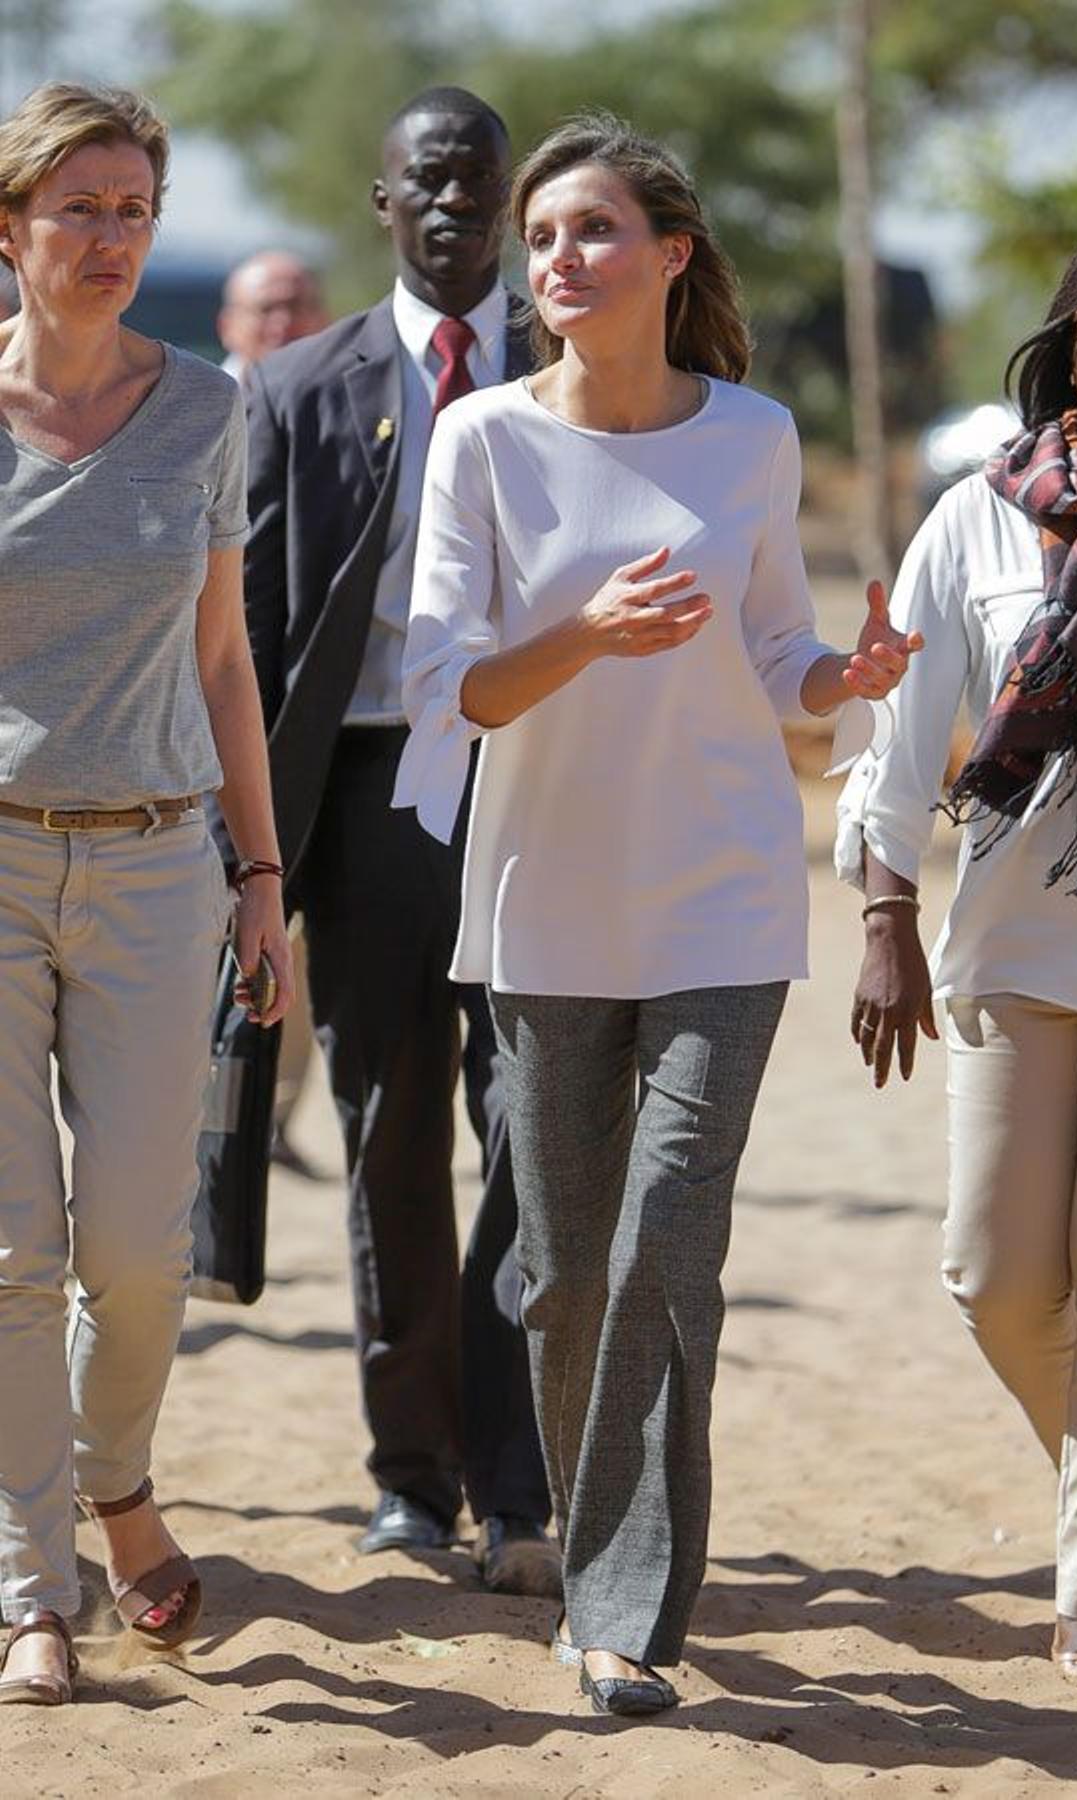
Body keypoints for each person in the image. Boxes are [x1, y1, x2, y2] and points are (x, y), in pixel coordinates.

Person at [394, 111, 919, 1717]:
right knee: (561, 1269)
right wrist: (589, 634)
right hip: (544, 911)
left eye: (595, 231)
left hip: (724, 900)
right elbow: (444, 687)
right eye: (543, 237)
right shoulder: (482, 440)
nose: (559, 259)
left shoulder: (751, 436)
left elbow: (781, 661)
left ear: (671, 256)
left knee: (662, 1248)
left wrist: (852, 678)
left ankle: (623, 1612)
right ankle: (585, 1541)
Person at [839, 216, 1077, 1691]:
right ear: (1066, 340)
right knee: (992, 1276)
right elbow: (902, 744)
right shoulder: (982, 518)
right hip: (1006, 943)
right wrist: (881, 919)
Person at [239, 86, 556, 1596]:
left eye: (478, 182)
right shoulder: (301, 387)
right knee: (388, 1141)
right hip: (368, 807)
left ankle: (524, 1477)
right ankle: (411, 1481)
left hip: (538, 792)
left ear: (507, 200)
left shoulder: (580, 368)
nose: (454, 204)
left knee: (533, 1133)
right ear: (382, 202)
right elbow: (248, 632)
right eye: (427, 181)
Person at [0, 81, 292, 1707]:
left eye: (135, 210)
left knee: (138, 1250)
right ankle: (36, 1586)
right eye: (79, 209)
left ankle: (117, 1480)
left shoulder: (206, 407)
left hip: (166, 863)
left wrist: (262, 875)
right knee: (9, 1256)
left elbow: (226, 654)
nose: (112, 239)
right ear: (10, 227)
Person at [216, 247, 330, 1177]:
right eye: (266, 311)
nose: (282, 327)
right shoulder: (178, 416)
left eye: (298, 309)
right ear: (230, 327)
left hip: (298, 737)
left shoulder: (340, 424)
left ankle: (271, 1122)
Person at [216, 248, 328, 383]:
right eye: (266, 309)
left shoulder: (349, 399)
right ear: (227, 327)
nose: (282, 322)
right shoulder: (201, 401)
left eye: (295, 306)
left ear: (324, 319)